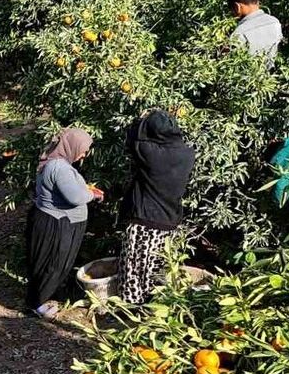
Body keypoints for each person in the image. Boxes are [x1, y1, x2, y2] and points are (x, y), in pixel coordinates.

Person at [119, 110, 196, 305]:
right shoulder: (188, 153)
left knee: (135, 268)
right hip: (170, 219)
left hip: (145, 219)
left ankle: (133, 308)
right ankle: (156, 308)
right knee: (158, 268)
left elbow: (132, 138)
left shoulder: (151, 153)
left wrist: (141, 120)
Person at [26, 128, 101, 318]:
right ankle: (37, 304)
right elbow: (76, 197)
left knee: (52, 262)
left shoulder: (57, 163)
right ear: (71, 146)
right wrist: (92, 194)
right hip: (58, 223)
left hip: (58, 220)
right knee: (52, 262)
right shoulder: (59, 167)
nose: (84, 154)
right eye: (83, 150)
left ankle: (43, 297)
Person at [228, 0, 282, 65]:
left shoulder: (239, 33)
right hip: (273, 75)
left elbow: (233, 66)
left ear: (237, 7)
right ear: (257, 2)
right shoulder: (275, 22)